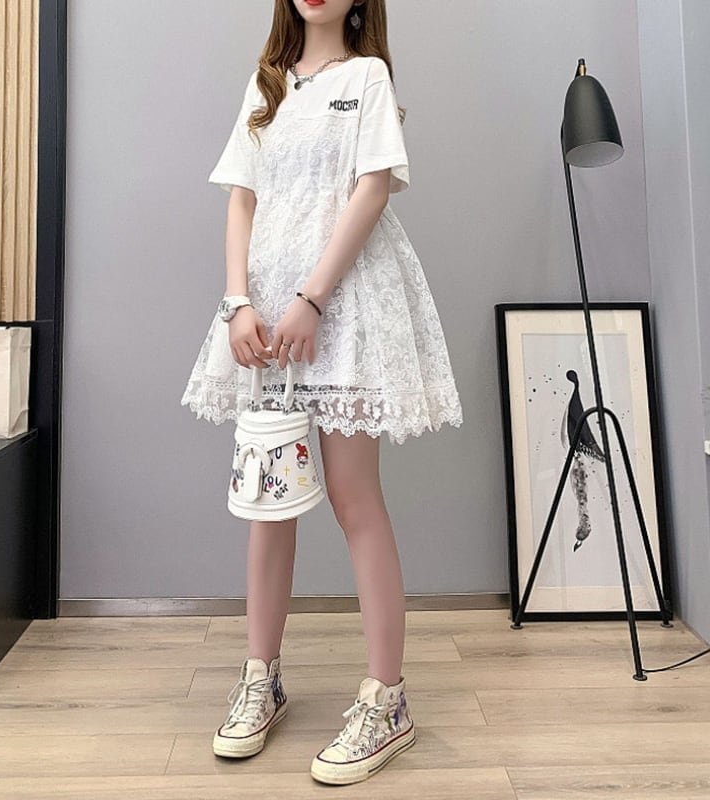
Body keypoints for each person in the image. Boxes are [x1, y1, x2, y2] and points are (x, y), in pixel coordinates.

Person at [180, 0, 463, 785]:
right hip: (266, 312)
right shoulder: (267, 82)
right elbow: (242, 196)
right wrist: (238, 303)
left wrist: (313, 297)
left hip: (343, 303)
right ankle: (261, 679)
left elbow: (372, 190)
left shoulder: (367, 77)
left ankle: (388, 701)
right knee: (269, 496)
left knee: (352, 495)